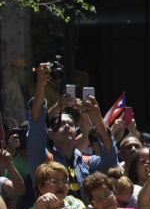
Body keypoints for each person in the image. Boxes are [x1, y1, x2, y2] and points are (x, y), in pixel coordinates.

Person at [28, 64, 117, 201]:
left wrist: (98, 120)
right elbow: (36, 125)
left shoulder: (88, 162)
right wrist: (41, 85)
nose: (66, 126)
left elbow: (110, 161)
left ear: (76, 132)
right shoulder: (43, 159)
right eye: (60, 124)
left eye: (70, 123)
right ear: (50, 133)